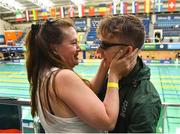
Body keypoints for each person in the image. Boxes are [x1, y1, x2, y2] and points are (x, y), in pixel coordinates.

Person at [25, 19, 138, 133]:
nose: (79, 48)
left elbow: (88, 94)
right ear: (54, 49)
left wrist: (105, 65)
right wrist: (114, 75)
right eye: (73, 43)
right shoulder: (62, 77)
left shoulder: (43, 76)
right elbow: (108, 121)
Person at [97, 15, 161, 133]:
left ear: (127, 51)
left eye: (104, 45)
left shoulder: (146, 100)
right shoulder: (109, 79)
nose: (98, 51)